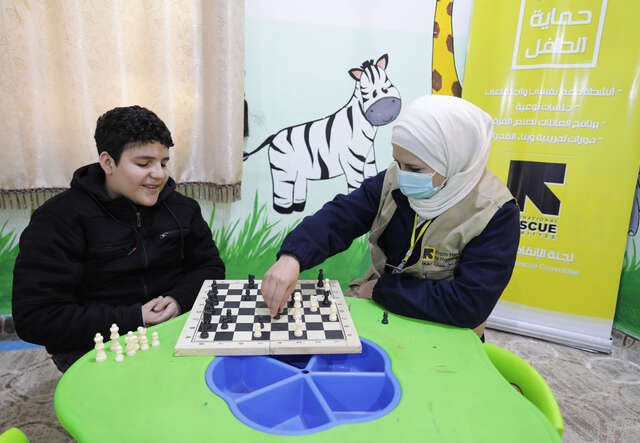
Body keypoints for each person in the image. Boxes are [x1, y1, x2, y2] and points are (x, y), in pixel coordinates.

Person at [261, 95, 520, 339]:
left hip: (445, 328)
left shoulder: (495, 212)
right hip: (381, 307)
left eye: (414, 168)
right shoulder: (393, 179)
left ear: (453, 161)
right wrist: (292, 257)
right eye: (398, 161)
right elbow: (341, 216)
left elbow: (468, 304)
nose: (402, 175)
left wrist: (381, 290)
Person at [12, 105, 225, 371]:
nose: (158, 174)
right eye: (143, 164)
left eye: (163, 163)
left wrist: (179, 299)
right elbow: (35, 317)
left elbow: (211, 268)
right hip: (95, 343)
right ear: (107, 162)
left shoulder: (183, 208)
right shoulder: (58, 219)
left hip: (173, 328)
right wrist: (134, 317)